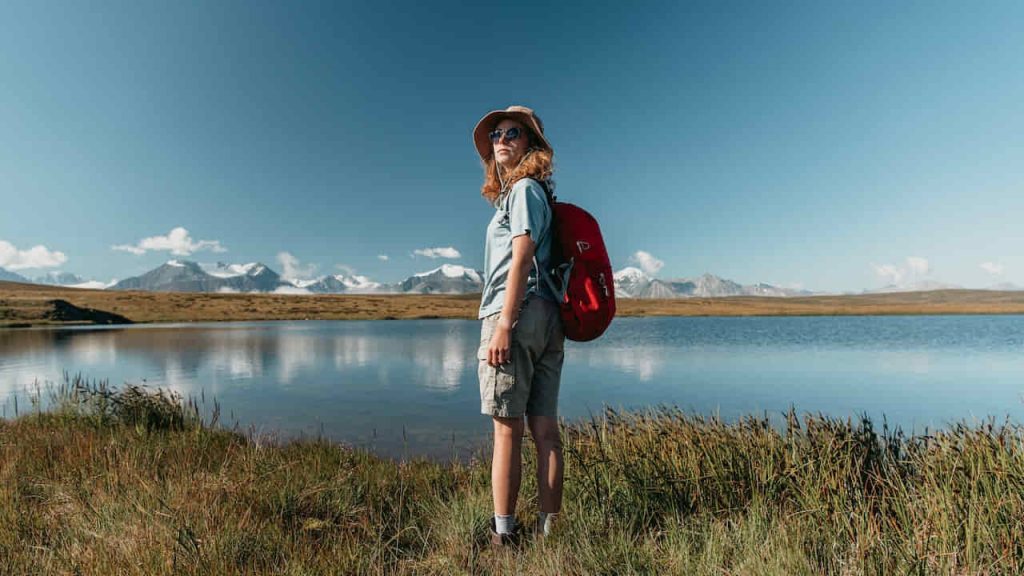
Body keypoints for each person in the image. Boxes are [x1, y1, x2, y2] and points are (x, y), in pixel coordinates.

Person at [472, 105, 565, 545]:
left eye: (514, 132)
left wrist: (504, 323)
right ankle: (550, 533)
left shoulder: (524, 190)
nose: (502, 139)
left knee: (506, 427)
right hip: (547, 317)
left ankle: (503, 535)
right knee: (545, 430)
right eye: (496, 134)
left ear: (531, 144)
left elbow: (523, 254)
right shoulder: (537, 193)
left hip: (517, 314)